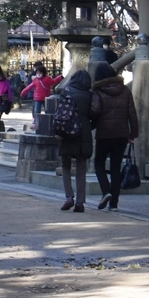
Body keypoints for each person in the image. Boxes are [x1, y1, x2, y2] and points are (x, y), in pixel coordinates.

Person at [90, 61, 138, 212]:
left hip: (104, 134)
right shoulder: (125, 90)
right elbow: (132, 113)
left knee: (99, 163)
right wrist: (133, 133)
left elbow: (95, 111)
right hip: (121, 134)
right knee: (116, 168)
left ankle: (106, 191)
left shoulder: (98, 91)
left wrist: (90, 123)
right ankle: (114, 204)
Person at [57, 70, 93, 212]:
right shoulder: (90, 95)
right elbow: (94, 114)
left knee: (65, 165)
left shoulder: (66, 92)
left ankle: (69, 197)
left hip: (67, 130)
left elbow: (59, 112)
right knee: (81, 168)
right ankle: (80, 202)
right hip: (83, 131)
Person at [23, 62, 60, 130]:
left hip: (45, 98)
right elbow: (29, 87)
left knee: (47, 111)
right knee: (37, 111)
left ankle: (50, 123)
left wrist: (59, 77)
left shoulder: (47, 79)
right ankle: (35, 123)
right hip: (38, 98)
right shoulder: (36, 80)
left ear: (43, 72)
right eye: (37, 73)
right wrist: (23, 93)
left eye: (39, 73)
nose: (38, 74)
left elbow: (53, 81)